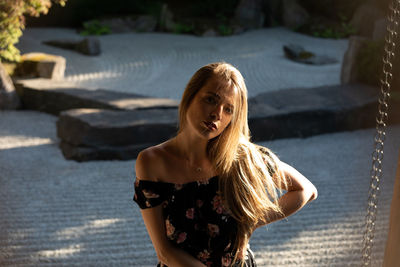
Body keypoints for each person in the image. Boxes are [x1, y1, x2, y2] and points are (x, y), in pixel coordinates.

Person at [133, 62, 318, 267]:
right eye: (211, 100)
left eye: (228, 109)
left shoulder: (242, 158)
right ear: (190, 96)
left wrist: (252, 222)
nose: (217, 114)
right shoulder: (152, 162)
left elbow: (306, 189)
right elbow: (165, 253)